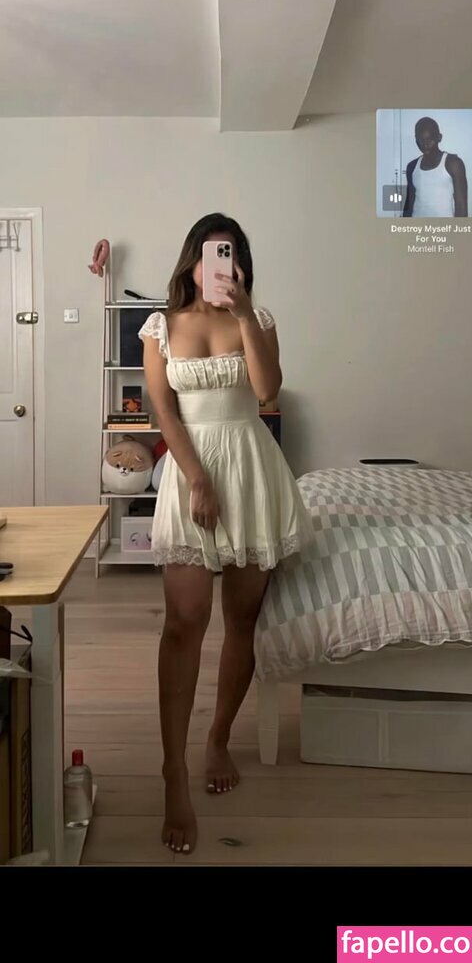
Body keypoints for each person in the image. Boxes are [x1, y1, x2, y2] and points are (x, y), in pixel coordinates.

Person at [139, 213, 313, 855]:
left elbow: (267, 393)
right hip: (193, 471)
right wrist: (195, 479)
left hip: (252, 469)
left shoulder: (257, 319)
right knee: (184, 622)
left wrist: (243, 315)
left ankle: (218, 739)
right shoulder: (161, 326)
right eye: (215, 253)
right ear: (192, 260)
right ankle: (173, 772)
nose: (223, 264)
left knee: (242, 618)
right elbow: (164, 409)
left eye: (233, 254)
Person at [403, 117, 468, 217]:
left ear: (439, 137)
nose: (425, 144)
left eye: (430, 139)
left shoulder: (453, 164)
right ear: (416, 140)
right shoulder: (412, 167)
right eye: (421, 140)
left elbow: (461, 208)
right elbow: (409, 204)